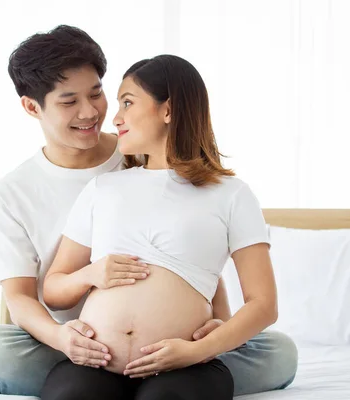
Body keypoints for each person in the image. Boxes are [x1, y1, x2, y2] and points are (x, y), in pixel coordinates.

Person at [0, 25, 298, 398]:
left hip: (180, 348)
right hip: (73, 343)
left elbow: (196, 262)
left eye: (99, 94)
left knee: (278, 351)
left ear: (167, 111)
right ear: (33, 106)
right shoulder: (38, 191)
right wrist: (68, 330)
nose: (94, 113)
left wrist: (212, 334)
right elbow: (27, 297)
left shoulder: (161, 166)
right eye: (68, 101)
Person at [40, 54, 275, 400]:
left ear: (169, 110)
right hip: (95, 365)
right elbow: (54, 290)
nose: (115, 118)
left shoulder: (231, 194)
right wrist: (91, 274)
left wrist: (201, 349)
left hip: (186, 367)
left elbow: (264, 304)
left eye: (128, 103)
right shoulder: (104, 188)